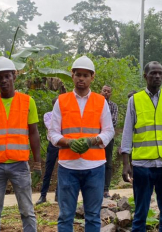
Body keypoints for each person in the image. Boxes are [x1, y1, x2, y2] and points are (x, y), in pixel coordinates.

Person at [120, 61, 162, 232]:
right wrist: (126, 163)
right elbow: (127, 132)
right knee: (141, 213)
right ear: (145, 76)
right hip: (143, 165)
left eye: (160, 73)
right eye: (153, 73)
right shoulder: (135, 101)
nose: (157, 76)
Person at [48, 55, 115, 232]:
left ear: (92, 77)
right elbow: (53, 133)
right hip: (68, 166)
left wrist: (92, 140)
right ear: (72, 75)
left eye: (86, 75)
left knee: (93, 216)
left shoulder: (101, 102)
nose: (81, 79)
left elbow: (109, 131)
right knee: (65, 216)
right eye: (78, 74)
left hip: (95, 167)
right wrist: (68, 142)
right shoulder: (62, 101)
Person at [0, 56, 42, 232]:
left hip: (19, 165)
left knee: (27, 211)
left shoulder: (27, 102)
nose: (3, 80)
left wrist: (37, 164)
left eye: (7, 76)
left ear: (14, 76)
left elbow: (34, 134)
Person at [36, 97, 59, 205]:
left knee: (62, 170)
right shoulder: (48, 115)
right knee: (48, 170)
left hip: (63, 144)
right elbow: (52, 127)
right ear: (54, 104)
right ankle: (43, 195)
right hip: (52, 144)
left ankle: (58, 195)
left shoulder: (65, 115)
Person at [100, 85, 118, 198]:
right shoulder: (96, 103)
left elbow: (114, 121)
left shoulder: (113, 106)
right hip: (95, 139)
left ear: (110, 94)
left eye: (108, 91)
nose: (106, 93)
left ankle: (106, 189)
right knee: (96, 162)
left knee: (108, 163)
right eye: (104, 91)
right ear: (101, 91)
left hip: (109, 139)